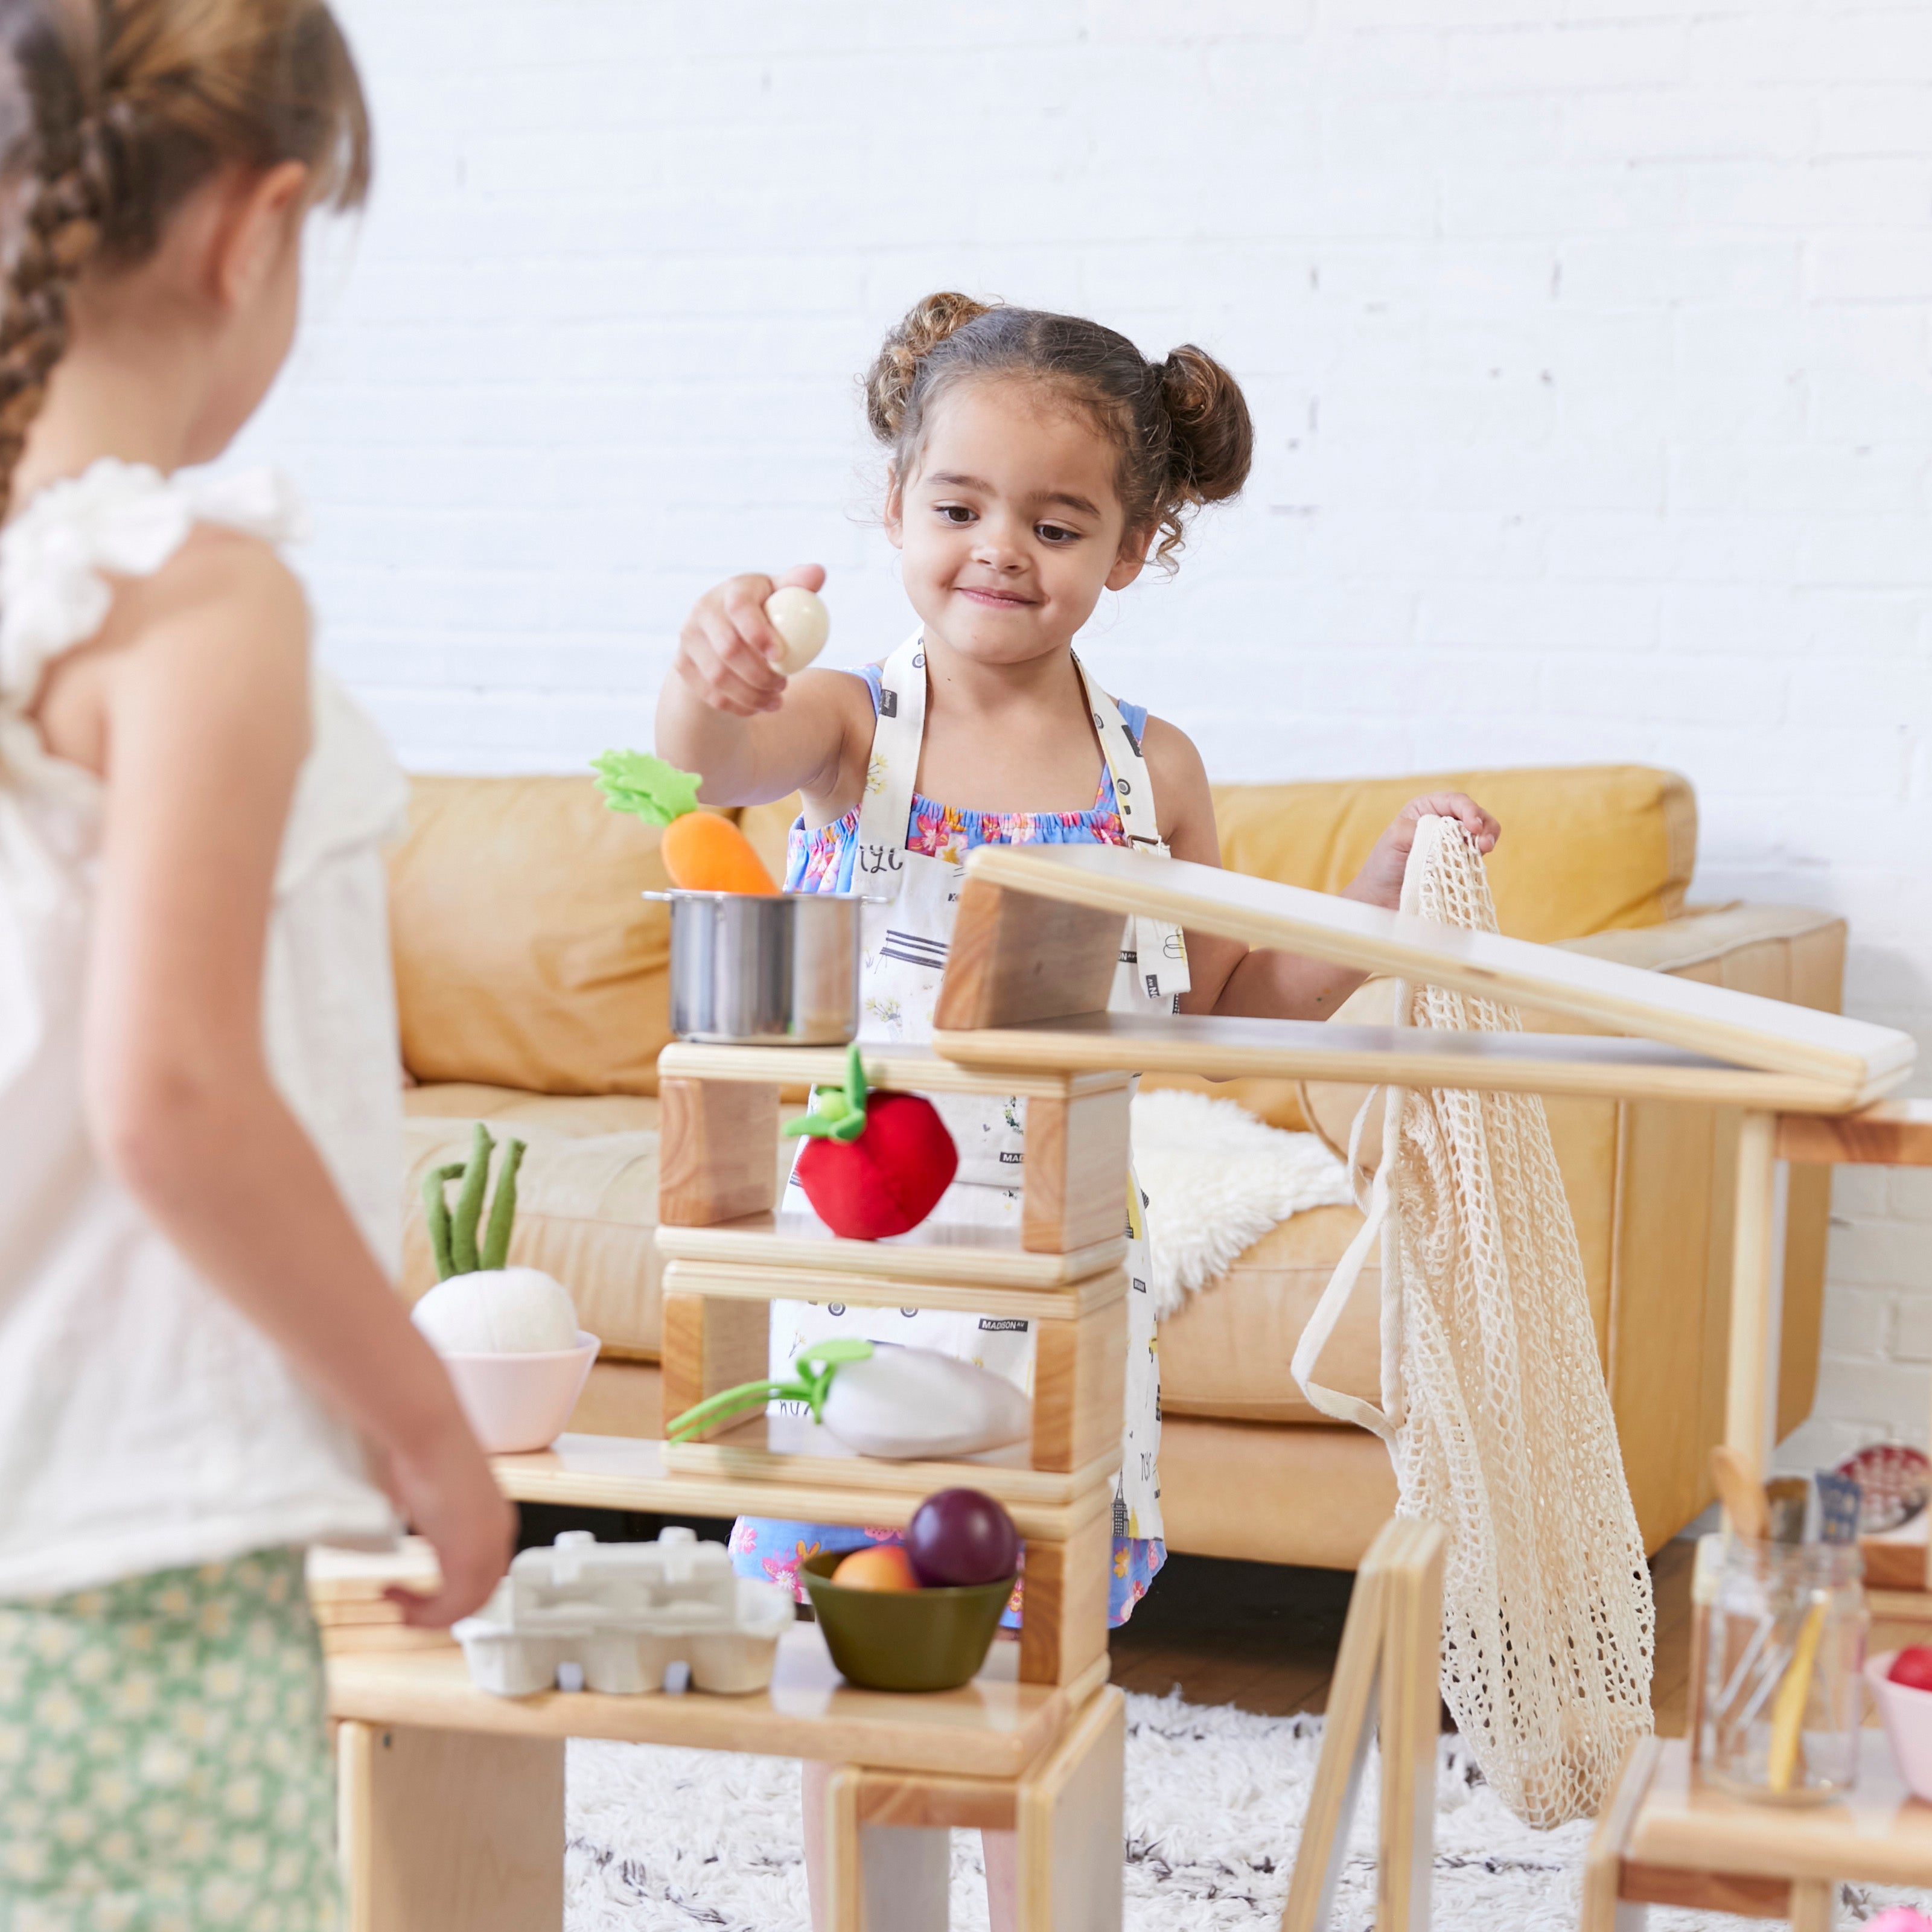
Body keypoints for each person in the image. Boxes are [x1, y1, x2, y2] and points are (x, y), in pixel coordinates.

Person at [659, 289, 1499, 1926]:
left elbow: (1224, 1011)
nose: (998, 550)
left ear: (1132, 548)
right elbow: (703, 767)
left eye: (1056, 522)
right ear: (895, 509)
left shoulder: (1147, 770)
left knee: (1041, 1660)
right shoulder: (850, 727)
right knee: (867, 1648)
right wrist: (710, 663)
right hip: (863, 1272)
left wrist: (1378, 901)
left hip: (1053, 1283)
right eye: (956, 508)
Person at [0, 4, 511, 1923]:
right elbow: (176, 1095)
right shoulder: (198, 602)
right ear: (255, 226)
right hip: (114, 1543)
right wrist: (425, 1420)